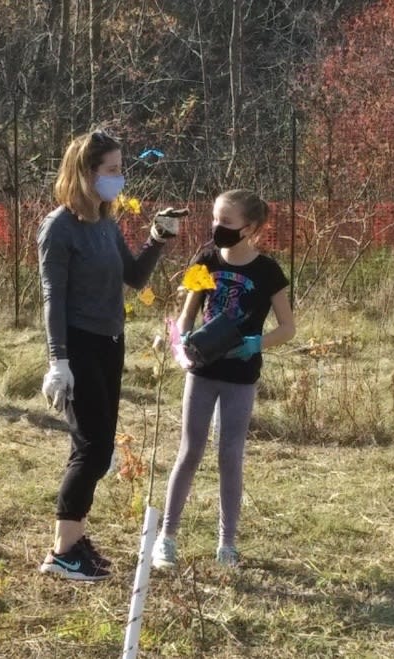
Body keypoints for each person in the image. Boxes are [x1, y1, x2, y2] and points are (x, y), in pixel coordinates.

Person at [36, 128, 180, 582]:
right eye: (112, 170)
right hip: (78, 344)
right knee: (92, 450)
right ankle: (62, 552)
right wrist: (58, 361)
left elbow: (135, 278)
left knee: (98, 447)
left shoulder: (106, 223)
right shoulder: (58, 228)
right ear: (85, 173)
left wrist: (157, 238)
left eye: (121, 170)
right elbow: (52, 298)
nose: (120, 179)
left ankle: (74, 540)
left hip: (109, 342)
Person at [152, 189, 295, 570]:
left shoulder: (268, 272)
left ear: (250, 228)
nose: (218, 227)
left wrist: (255, 344)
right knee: (189, 451)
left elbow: (288, 327)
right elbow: (187, 315)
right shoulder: (205, 259)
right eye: (215, 219)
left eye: (227, 222)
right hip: (202, 371)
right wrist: (178, 343)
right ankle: (166, 536)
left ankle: (227, 544)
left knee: (230, 456)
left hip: (241, 376)